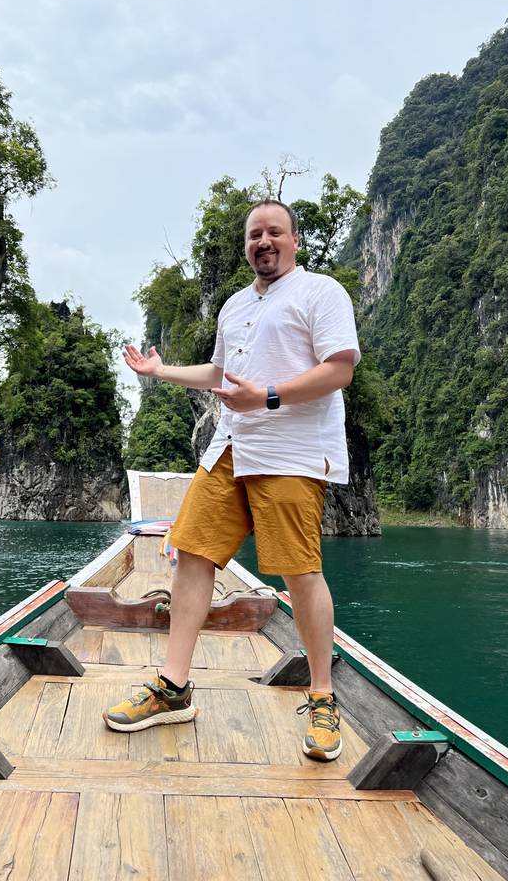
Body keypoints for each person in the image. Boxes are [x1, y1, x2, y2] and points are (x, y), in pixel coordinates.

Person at [103, 199, 361, 761]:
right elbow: (220, 374)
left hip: (291, 452)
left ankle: (322, 696)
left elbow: (340, 368)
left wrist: (266, 396)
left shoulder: (321, 292)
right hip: (229, 447)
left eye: (274, 232)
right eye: (254, 235)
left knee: (299, 571)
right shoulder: (235, 305)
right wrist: (160, 370)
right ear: (246, 246)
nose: (263, 242)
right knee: (193, 553)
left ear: (294, 240)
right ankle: (173, 688)